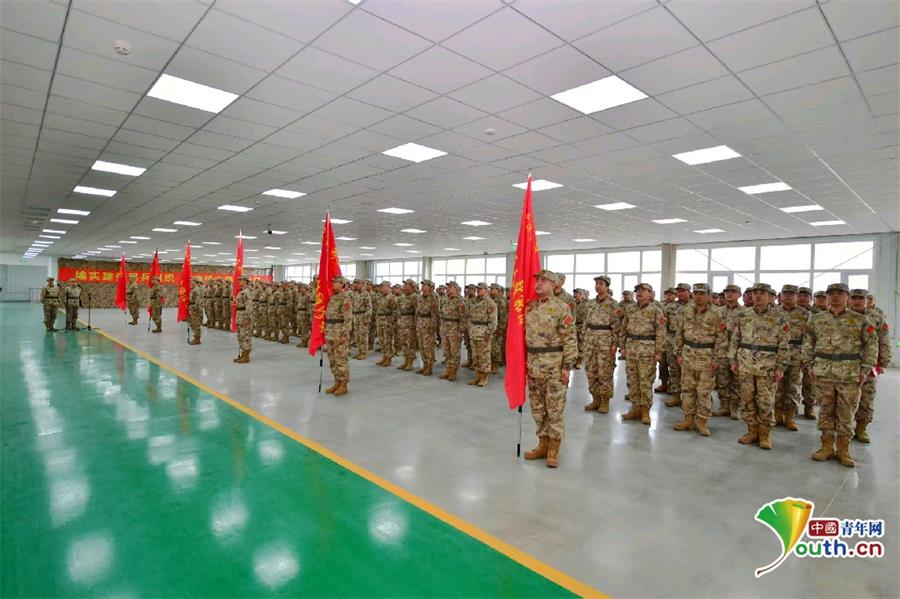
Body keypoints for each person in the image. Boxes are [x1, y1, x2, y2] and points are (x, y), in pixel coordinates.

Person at [803, 284, 877, 467]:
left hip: (849, 374)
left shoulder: (860, 320)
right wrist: (810, 365)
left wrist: (865, 369)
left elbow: (871, 345)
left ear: (847, 297)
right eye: (831, 294)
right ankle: (826, 447)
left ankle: (844, 450)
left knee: (846, 413)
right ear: (827, 297)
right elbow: (808, 342)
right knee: (825, 411)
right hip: (823, 373)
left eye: (840, 294)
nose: (835, 297)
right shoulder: (816, 319)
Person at [523, 270, 578, 468]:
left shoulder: (561, 308)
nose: (538, 283)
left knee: (554, 409)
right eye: (537, 280)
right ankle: (542, 444)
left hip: (554, 366)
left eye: (543, 280)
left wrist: (567, 367)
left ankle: (554, 449)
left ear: (553, 285)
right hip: (533, 365)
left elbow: (570, 339)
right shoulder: (530, 307)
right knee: (538, 409)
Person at [730, 283, 789, 450]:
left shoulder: (779, 317)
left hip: (767, 367)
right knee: (747, 399)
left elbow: (784, 345)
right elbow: (735, 339)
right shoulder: (743, 315)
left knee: (765, 401)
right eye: (755, 293)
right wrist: (733, 360)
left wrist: (781, 367)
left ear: (769, 296)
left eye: (762, 293)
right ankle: (751, 431)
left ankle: (765, 434)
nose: (757, 296)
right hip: (746, 364)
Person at [673, 284, 727, 436]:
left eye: (702, 294)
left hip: (707, 357)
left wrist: (717, 359)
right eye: (696, 293)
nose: (698, 296)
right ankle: (688, 419)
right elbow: (679, 334)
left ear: (709, 296)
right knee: (687, 389)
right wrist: (678, 354)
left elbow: (722, 339)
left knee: (703, 391)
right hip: (688, 355)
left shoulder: (717, 314)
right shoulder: (685, 311)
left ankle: (702, 421)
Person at [620, 283, 666, 425]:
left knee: (645, 381)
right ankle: (635, 409)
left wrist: (659, 352)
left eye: (643, 290)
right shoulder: (630, 309)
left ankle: (645, 411)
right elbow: (623, 329)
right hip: (632, 348)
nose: (639, 293)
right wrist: (622, 347)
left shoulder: (656, 310)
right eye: (637, 291)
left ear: (650, 293)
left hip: (648, 351)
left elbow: (661, 332)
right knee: (632, 381)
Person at [849, 289, 891, 444]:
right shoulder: (843, 315)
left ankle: (861, 429)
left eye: (861, 298)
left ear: (867, 300)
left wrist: (883, 361)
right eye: (854, 298)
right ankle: (843, 429)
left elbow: (884, 340)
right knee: (843, 399)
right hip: (844, 365)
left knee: (866, 397)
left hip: (868, 364)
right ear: (849, 299)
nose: (857, 301)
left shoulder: (876, 317)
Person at [582, 275, 622, 414]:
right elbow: (585, 323)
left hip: (605, 343)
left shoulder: (613, 305)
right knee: (591, 372)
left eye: (601, 284)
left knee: (605, 373)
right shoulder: (590, 304)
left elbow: (617, 326)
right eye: (596, 284)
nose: (598, 286)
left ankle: (605, 401)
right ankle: (595, 399)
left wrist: (615, 344)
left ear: (607, 287)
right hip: (590, 342)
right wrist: (584, 339)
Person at [774, 285, 809, 431]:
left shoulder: (805, 314)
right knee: (777, 386)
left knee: (793, 387)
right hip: (777, 354)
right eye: (785, 293)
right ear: (781, 295)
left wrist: (805, 357)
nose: (788, 296)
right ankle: (776, 414)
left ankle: (790, 417)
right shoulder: (774, 312)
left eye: (791, 294)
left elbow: (809, 337)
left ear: (797, 296)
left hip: (797, 354)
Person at [714, 284, 743, 420]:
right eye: (727, 292)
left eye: (733, 292)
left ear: (739, 295)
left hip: (738, 352)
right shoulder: (717, 312)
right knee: (723, 380)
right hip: (721, 350)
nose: (729, 294)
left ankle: (736, 407)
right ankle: (724, 406)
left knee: (737, 381)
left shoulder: (745, 312)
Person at [324, 276, 352, 396]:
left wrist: (344, 333)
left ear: (342, 284)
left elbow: (348, 317)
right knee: (332, 359)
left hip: (339, 332)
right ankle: (337, 381)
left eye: (335, 282)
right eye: (333, 282)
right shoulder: (333, 297)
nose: (333, 284)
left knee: (341, 358)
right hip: (330, 331)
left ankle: (344, 384)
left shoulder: (345, 297)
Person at [664, 283, 691, 408]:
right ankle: (676, 396)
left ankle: (690, 398)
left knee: (690, 372)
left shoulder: (694, 306)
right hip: (672, 341)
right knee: (674, 370)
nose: (680, 293)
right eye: (678, 291)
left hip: (689, 343)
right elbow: (664, 326)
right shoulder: (670, 307)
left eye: (683, 291)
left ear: (689, 292)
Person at [467, 282, 497, 387]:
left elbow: (493, 321)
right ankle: (478, 375)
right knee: (475, 356)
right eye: (477, 289)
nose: (478, 290)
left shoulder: (490, 303)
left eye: (480, 289)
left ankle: (484, 376)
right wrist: (470, 329)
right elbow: (469, 317)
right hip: (473, 332)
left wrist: (488, 333)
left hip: (483, 333)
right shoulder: (473, 301)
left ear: (486, 290)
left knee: (484, 356)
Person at [439, 281, 466, 381]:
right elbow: (441, 313)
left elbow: (463, 318)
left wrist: (460, 331)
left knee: (454, 351)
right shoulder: (445, 299)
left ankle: (454, 371)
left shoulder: (460, 301)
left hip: (454, 328)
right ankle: (448, 369)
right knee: (446, 351)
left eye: (450, 287)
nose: (448, 289)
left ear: (456, 288)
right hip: (444, 328)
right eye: (447, 287)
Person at [415, 280, 440, 375]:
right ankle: (425, 365)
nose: (423, 287)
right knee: (421, 346)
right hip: (420, 324)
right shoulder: (420, 297)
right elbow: (417, 311)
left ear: (430, 287)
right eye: (422, 285)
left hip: (428, 325)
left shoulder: (434, 298)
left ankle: (429, 366)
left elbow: (435, 314)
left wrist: (433, 328)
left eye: (425, 285)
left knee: (428, 346)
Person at [375, 281, 399, 366]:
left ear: (388, 287)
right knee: (382, 340)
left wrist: (391, 321)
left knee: (388, 341)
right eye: (381, 286)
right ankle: (384, 357)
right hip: (380, 320)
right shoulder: (381, 297)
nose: (381, 288)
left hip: (387, 321)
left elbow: (395, 311)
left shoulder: (392, 297)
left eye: (383, 286)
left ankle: (389, 358)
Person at [350, 279, 373, 359]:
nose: (355, 285)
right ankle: (359, 351)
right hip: (356, 317)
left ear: (362, 284)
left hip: (362, 317)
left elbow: (369, 308)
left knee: (363, 336)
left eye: (357, 283)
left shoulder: (365, 294)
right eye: (354, 283)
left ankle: (363, 353)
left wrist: (366, 319)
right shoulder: (356, 293)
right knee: (357, 336)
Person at [489, 283, 508, 374]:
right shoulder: (489, 300)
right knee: (490, 347)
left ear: (497, 290)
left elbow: (503, 316)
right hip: (490, 327)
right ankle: (490, 363)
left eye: (493, 289)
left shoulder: (500, 301)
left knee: (496, 347)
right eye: (491, 289)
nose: (491, 290)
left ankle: (496, 365)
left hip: (497, 328)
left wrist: (500, 329)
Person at [233, 275, 252, 363]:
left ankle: (246, 356)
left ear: (245, 281)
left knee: (245, 336)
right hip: (240, 315)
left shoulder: (246, 292)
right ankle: (243, 354)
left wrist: (247, 318)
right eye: (239, 280)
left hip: (244, 316)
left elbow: (249, 306)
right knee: (241, 336)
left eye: (241, 280)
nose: (239, 281)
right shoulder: (242, 291)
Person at [188, 277, 203, 345]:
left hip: (196, 309)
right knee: (192, 323)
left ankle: (197, 339)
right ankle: (196, 337)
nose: (191, 282)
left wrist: (194, 307)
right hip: (192, 308)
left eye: (192, 281)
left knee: (196, 324)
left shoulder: (197, 289)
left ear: (195, 282)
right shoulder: (193, 289)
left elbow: (198, 300)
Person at [295, 283, 311, 347]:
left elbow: (308, 307)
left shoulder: (307, 296)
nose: (301, 289)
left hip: (304, 314)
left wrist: (307, 315)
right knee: (301, 328)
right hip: (300, 313)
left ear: (306, 289)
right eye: (300, 288)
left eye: (302, 288)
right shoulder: (300, 296)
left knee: (305, 329)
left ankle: (305, 342)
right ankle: (303, 341)